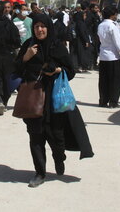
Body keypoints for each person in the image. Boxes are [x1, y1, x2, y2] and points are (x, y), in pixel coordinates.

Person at [15, 13, 94, 188]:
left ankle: (59, 157)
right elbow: (16, 70)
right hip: (33, 99)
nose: (40, 30)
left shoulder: (57, 46)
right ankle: (40, 173)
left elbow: (70, 70)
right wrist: (26, 57)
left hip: (53, 100)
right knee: (36, 137)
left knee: (56, 137)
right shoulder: (28, 46)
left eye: (43, 26)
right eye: (36, 27)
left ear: (48, 27)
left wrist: (57, 69)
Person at [97, 6, 120, 108]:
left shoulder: (100, 25)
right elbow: (117, 41)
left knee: (103, 80)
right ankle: (113, 102)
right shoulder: (112, 26)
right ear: (112, 15)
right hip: (113, 57)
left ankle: (103, 100)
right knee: (115, 80)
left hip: (103, 56)